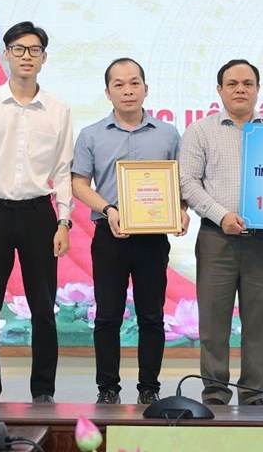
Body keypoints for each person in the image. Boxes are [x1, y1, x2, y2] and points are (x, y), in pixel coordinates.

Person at [72, 58, 188, 405]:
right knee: (107, 314)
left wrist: (181, 211)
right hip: (110, 235)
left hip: (154, 238)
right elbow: (79, 183)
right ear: (107, 92)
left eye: (134, 83)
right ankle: (107, 387)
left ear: (146, 89)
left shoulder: (168, 133)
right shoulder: (91, 134)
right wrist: (109, 210)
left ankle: (149, 388)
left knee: (151, 315)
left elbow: (180, 184)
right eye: (119, 84)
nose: (127, 90)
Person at [180, 59, 263, 406]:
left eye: (247, 83)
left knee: (260, 321)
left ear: (258, 89)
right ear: (220, 90)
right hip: (217, 237)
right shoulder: (200, 131)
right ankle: (214, 391)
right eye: (232, 83)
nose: (240, 89)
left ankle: (254, 393)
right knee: (213, 323)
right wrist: (221, 214)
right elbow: (187, 182)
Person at [0, 21, 73, 403]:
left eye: (34, 50)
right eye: (19, 49)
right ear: (6, 54)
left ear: (44, 57)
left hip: (38, 215)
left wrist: (64, 221)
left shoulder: (58, 109)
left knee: (43, 311)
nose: (26, 56)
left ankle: (44, 393)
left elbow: (63, 170)